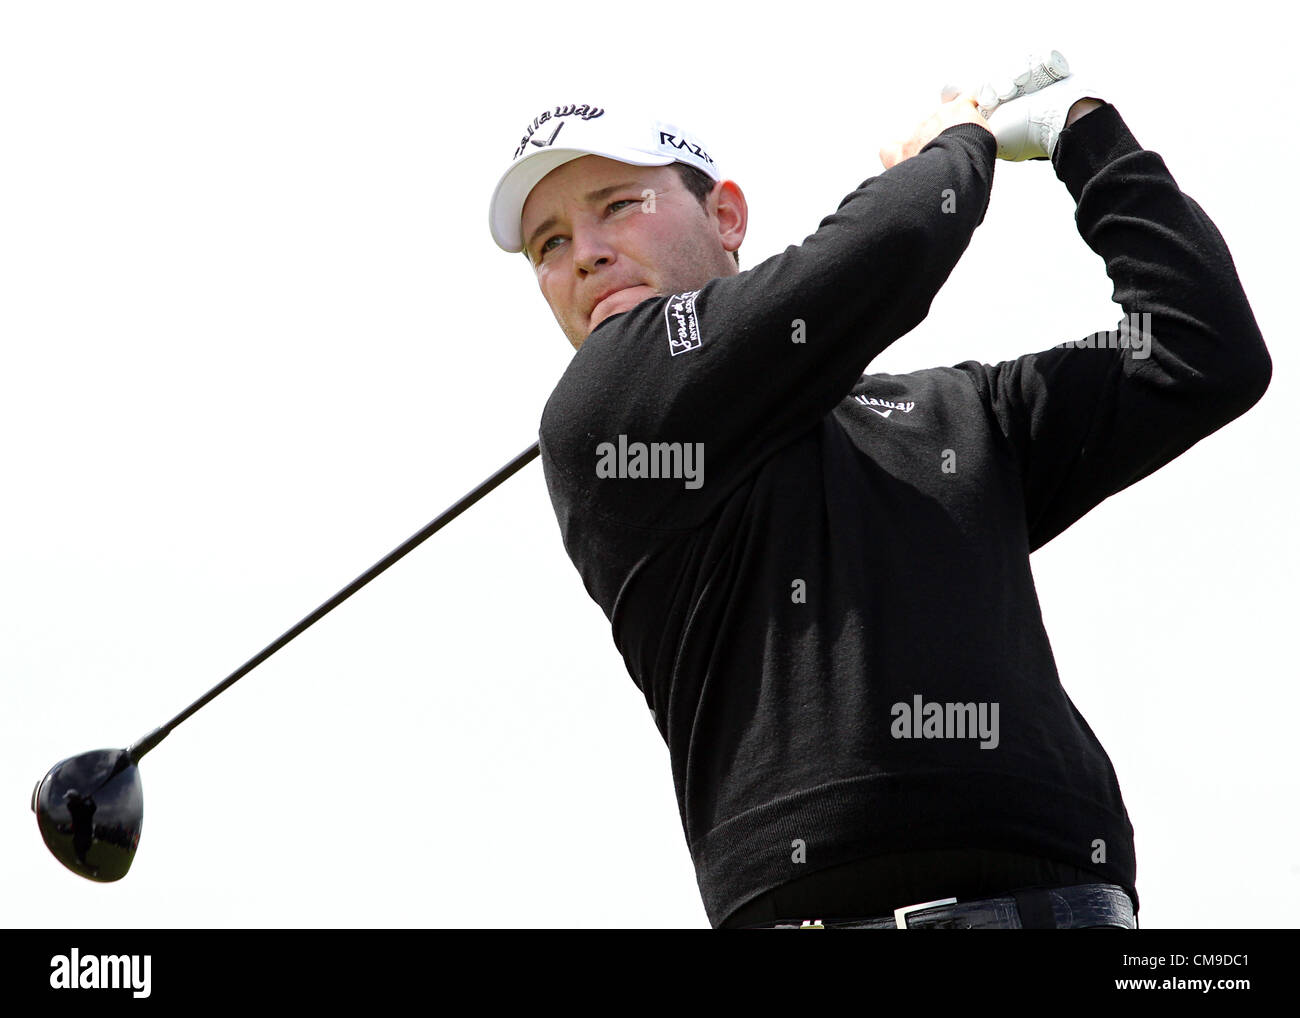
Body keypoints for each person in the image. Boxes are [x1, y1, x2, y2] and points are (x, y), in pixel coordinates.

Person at [486, 76, 1271, 929]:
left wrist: (1084, 138)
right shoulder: (603, 413)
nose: (585, 253)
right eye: (549, 244)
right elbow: (896, 237)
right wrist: (955, 148)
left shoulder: (956, 417)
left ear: (726, 219)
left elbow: (1202, 349)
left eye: (617, 204)